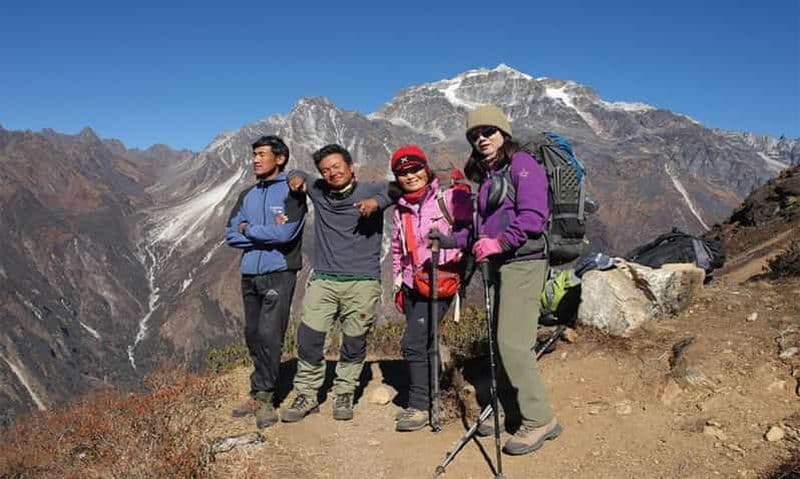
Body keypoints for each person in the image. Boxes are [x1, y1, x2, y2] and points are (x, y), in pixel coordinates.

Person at [449, 105, 562, 455]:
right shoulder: (488, 175)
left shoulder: (522, 165)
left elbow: (532, 217)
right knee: (501, 342)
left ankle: (539, 418)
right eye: (475, 135)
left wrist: (499, 242)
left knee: (513, 343)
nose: (481, 139)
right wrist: (450, 241)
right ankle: (514, 410)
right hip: (500, 265)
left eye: (488, 132)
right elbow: (482, 230)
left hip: (523, 262)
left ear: (504, 133)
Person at [280, 144, 392, 423]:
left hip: (363, 280)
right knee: (309, 336)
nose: (332, 173)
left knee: (354, 340)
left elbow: (399, 189)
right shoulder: (317, 190)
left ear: (351, 167)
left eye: (336, 167)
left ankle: (344, 391)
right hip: (325, 279)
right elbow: (296, 172)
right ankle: (307, 393)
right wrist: (295, 178)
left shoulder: (370, 189)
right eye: (325, 169)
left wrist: (376, 204)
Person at [224, 135, 307, 429]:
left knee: (270, 334)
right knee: (253, 334)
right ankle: (258, 388)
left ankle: (266, 397)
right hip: (249, 273)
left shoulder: (293, 191)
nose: (255, 160)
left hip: (279, 271)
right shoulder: (247, 193)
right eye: (254, 155)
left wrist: (249, 229)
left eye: (261, 154)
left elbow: (287, 235)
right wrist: (262, 231)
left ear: (280, 158)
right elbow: (230, 233)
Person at [389, 145, 471, 432]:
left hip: (441, 281)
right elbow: (398, 248)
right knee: (423, 340)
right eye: (402, 172)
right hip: (413, 284)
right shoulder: (401, 208)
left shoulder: (448, 198)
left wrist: (450, 243)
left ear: (426, 169)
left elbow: (469, 233)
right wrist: (398, 281)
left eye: (414, 169)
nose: (410, 175)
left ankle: (420, 404)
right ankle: (437, 383)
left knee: (413, 342)